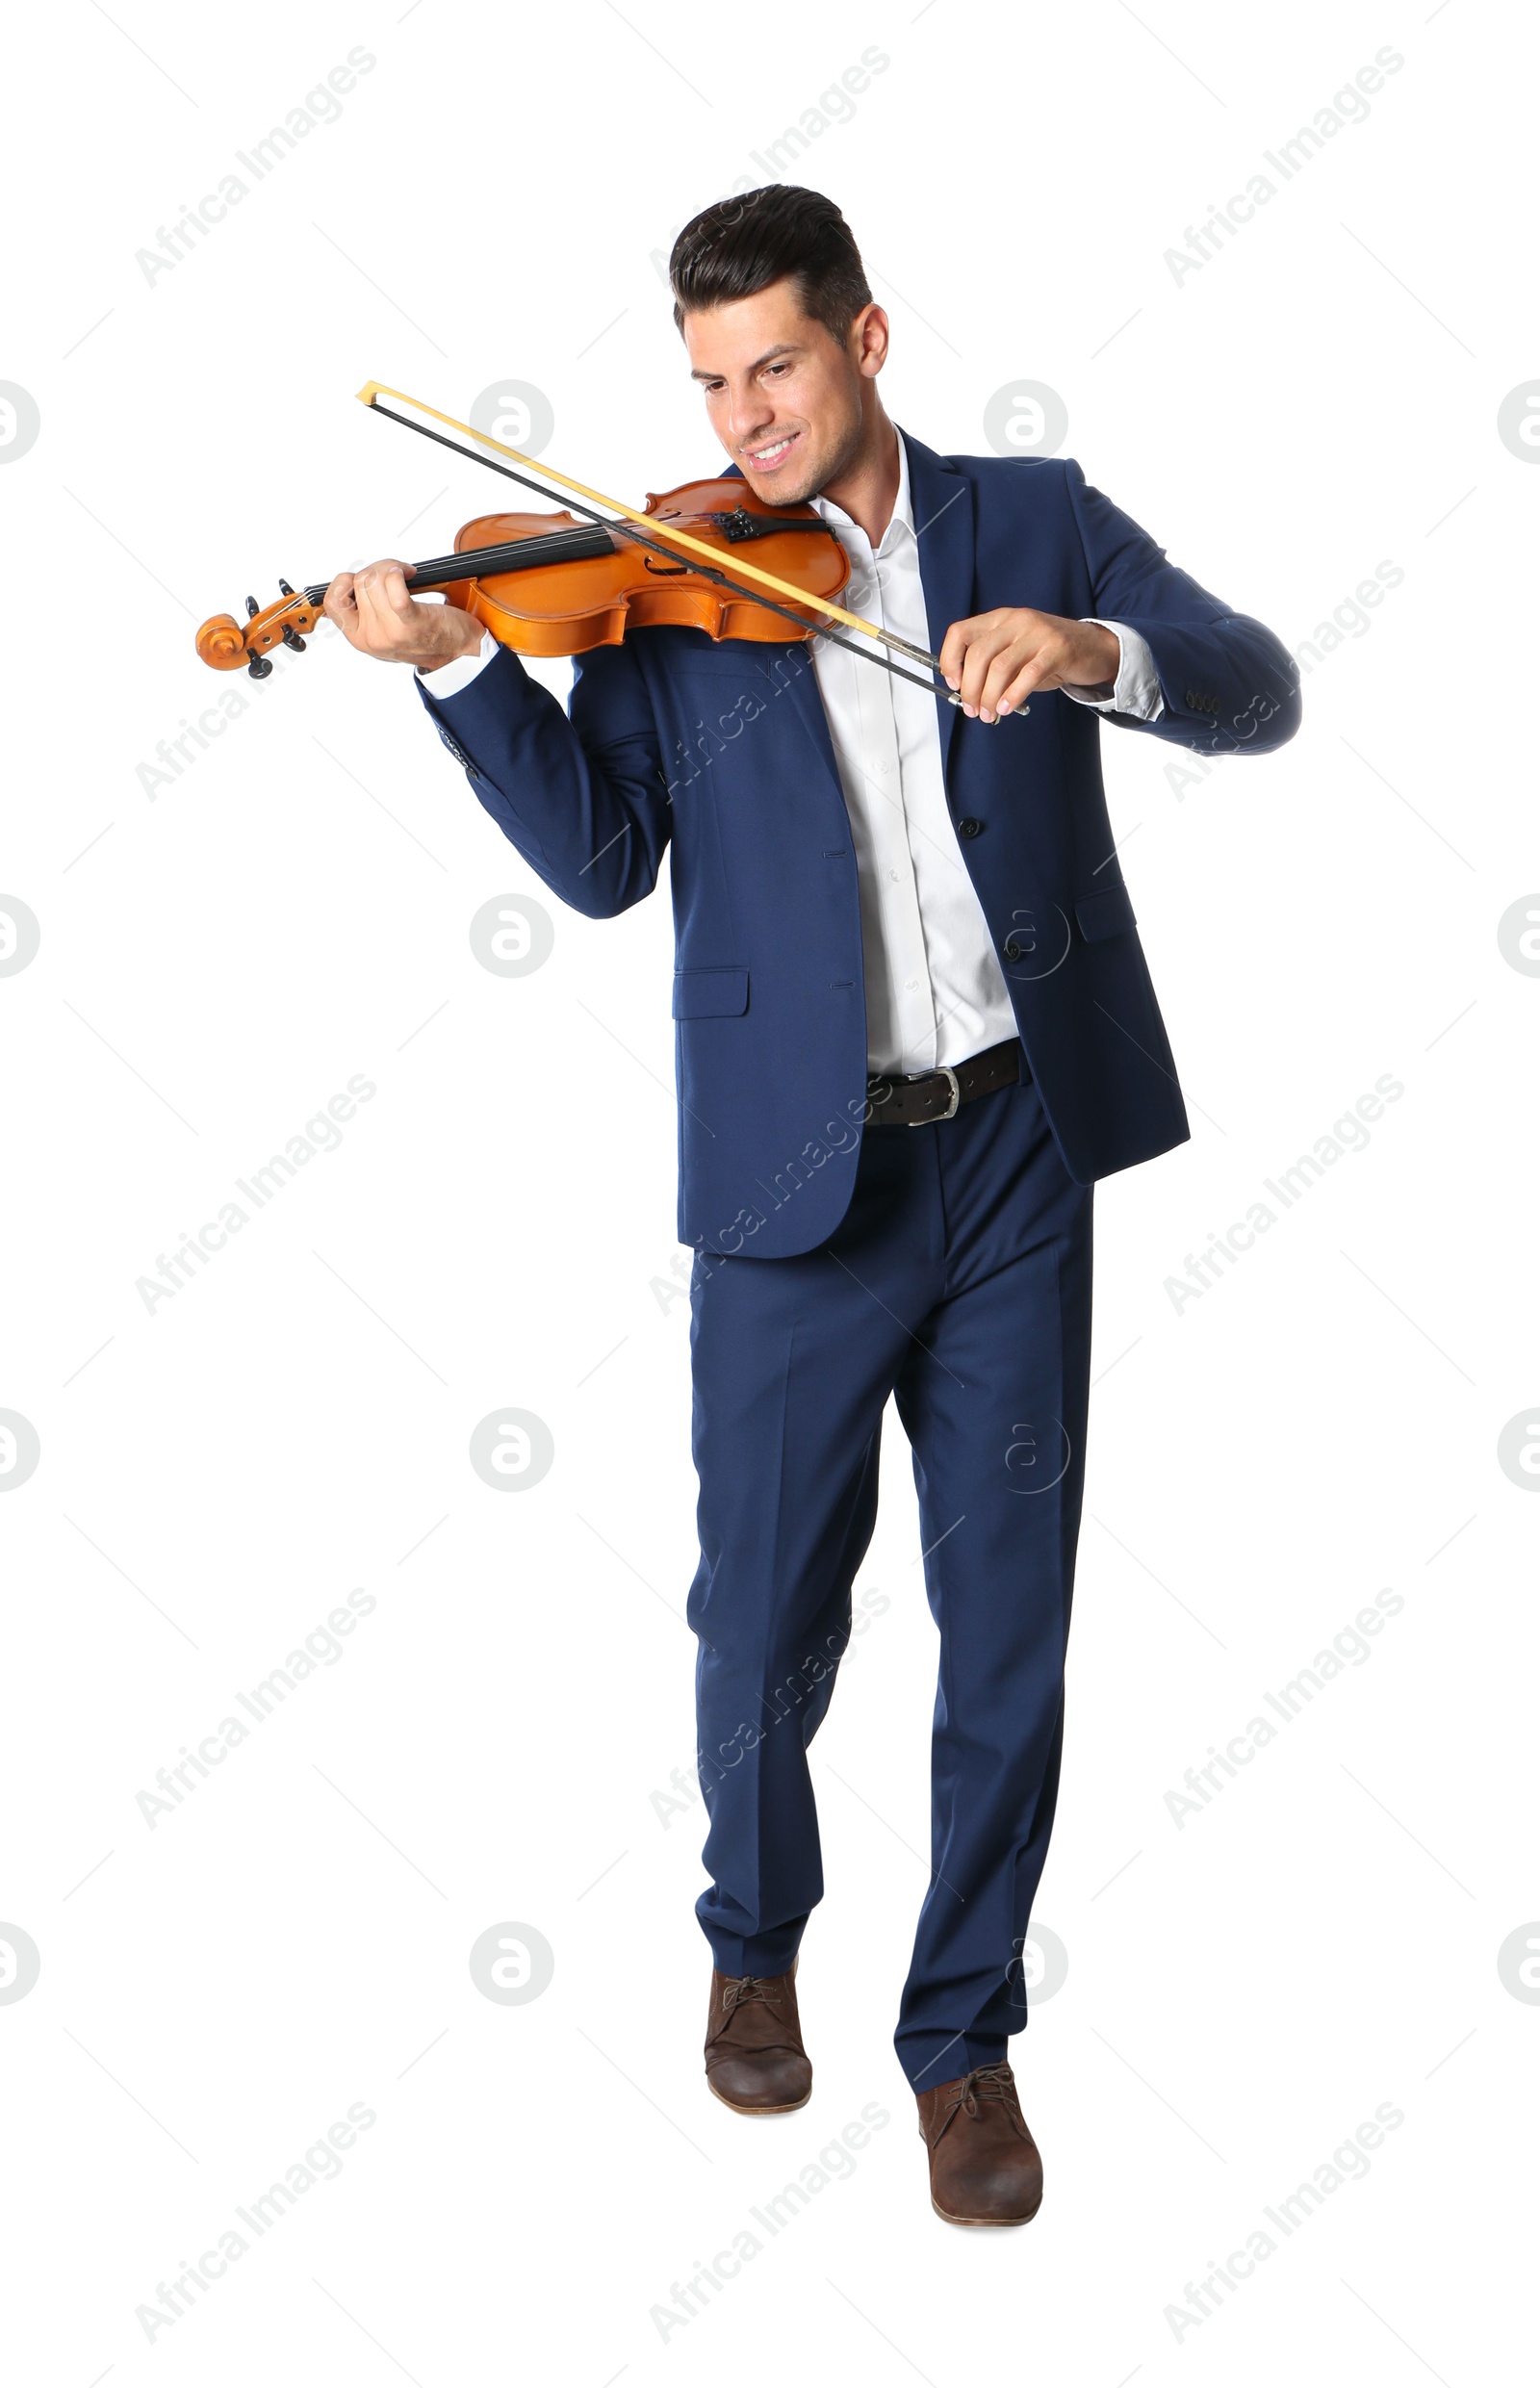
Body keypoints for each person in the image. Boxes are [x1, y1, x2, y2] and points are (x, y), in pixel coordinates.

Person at [323, 183, 1300, 2226]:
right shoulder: (669, 568)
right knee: (761, 1619)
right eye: (706, 382)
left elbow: (1251, 681)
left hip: (1021, 1143)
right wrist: (450, 675)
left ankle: (960, 2040)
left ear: (866, 342)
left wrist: (1096, 647)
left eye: (773, 367)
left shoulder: (1030, 513)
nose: (743, 421)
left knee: (1006, 1627)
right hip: (790, 1169)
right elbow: (603, 860)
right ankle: (750, 1927)